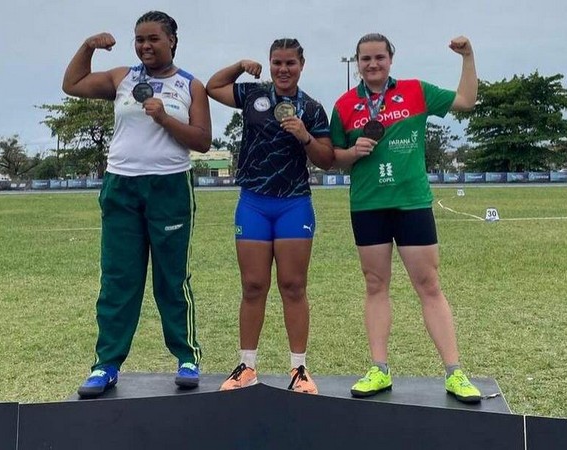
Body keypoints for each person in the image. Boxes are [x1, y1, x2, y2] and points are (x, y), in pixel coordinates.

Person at [62, 10, 211, 398]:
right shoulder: (122, 77)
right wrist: (88, 46)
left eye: (153, 39)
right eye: (139, 39)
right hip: (121, 186)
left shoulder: (190, 85)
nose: (145, 46)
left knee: (171, 278)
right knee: (118, 279)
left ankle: (187, 358)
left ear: (172, 41)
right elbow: (72, 84)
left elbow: (202, 140)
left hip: (170, 187)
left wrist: (165, 119)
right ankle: (106, 364)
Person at [329, 33, 482, 403]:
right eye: (365, 59)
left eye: (379, 57)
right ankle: (379, 369)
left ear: (390, 59)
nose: (372, 64)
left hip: (412, 202)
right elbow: (333, 157)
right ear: (357, 62)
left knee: (428, 284)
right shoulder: (345, 105)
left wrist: (467, 57)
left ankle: (455, 372)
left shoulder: (416, 91)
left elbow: (466, 101)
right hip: (368, 204)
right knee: (374, 284)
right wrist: (353, 152)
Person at [206, 38, 334, 394]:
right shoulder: (253, 95)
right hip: (254, 203)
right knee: (252, 286)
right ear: (270, 64)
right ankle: (247, 367)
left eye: (290, 63)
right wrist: (239, 66)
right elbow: (213, 87)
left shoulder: (312, 108)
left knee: (293, 286)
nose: (283, 69)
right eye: (277, 62)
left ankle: (299, 369)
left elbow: (327, 159)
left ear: (301, 65)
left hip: (293, 204)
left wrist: (305, 136)